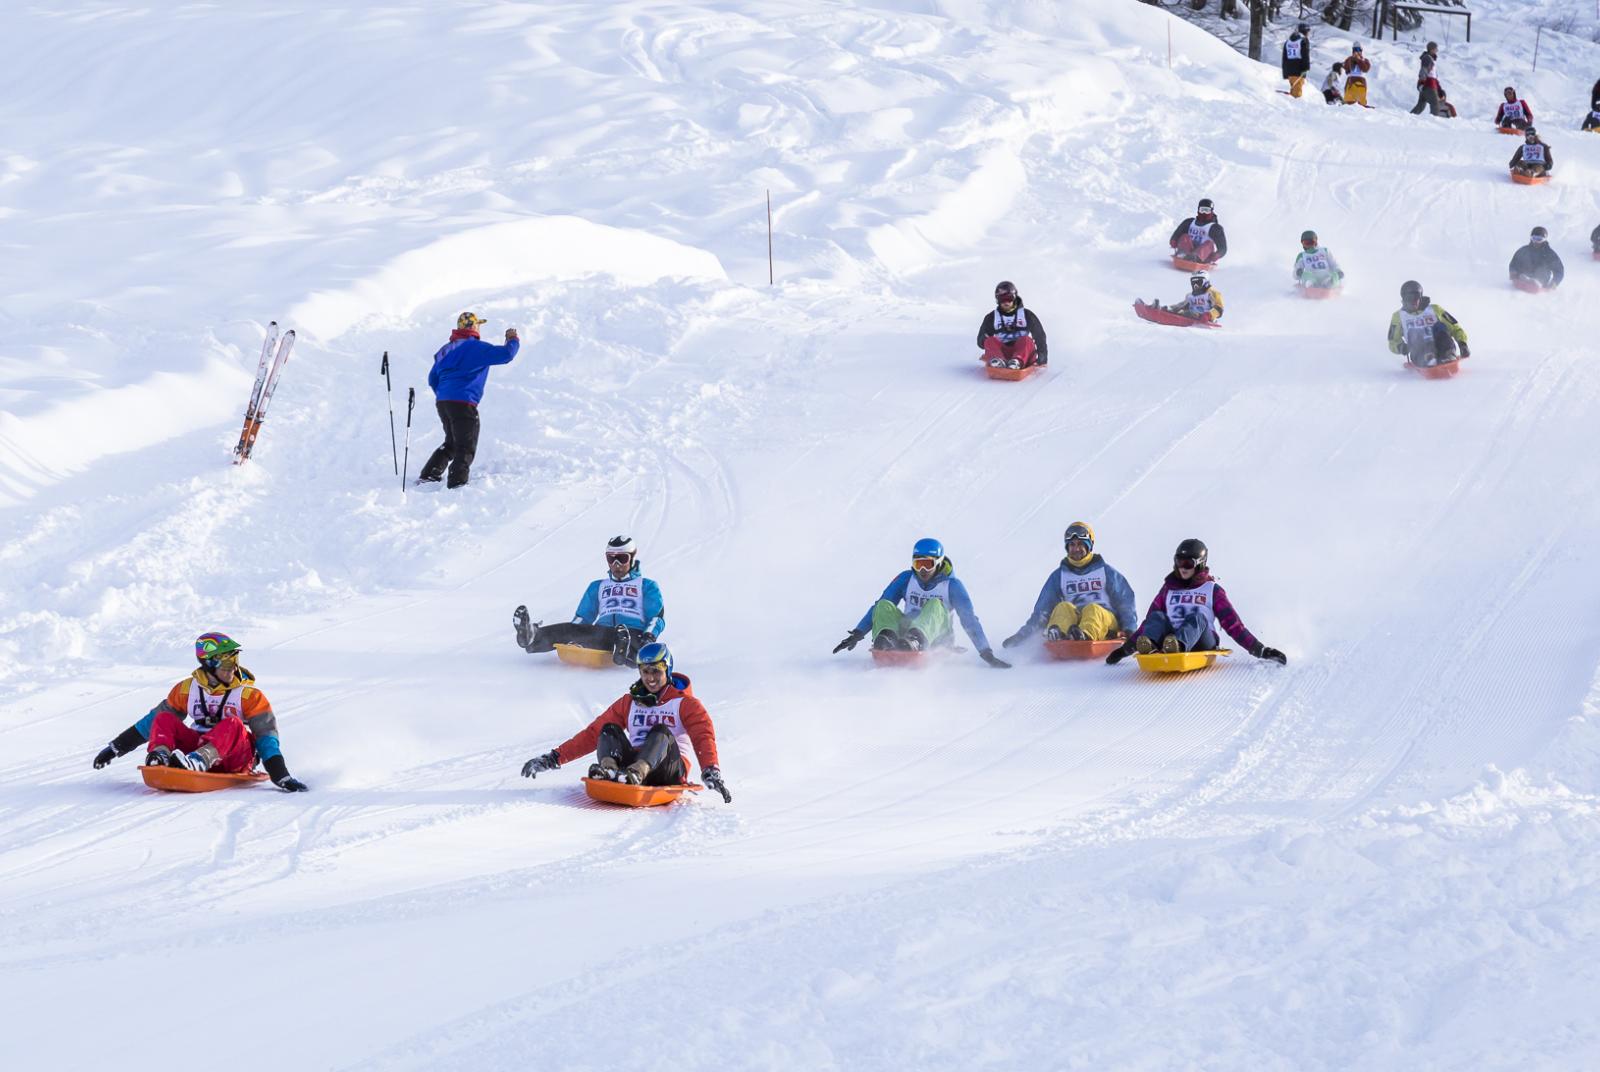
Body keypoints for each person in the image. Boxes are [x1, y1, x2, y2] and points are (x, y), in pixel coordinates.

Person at [90, 633, 308, 791]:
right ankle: (160, 757)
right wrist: (115, 748)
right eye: (227, 662)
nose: (233, 667)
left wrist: (280, 774)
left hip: (236, 757)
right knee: (164, 718)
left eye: (235, 660)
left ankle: (199, 760)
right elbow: (152, 722)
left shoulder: (249, 695)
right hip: (198, 745)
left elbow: (266, 735)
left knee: (233, 724)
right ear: (209, 664)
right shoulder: (187, 689)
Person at [518, 642, 731, 801]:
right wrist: (553, 758)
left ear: (667, 670)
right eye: (645, 672)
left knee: (660, 731)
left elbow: (703, 736)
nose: (650, 678)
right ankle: (610, 770)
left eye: (656, 671)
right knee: (608, 729)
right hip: (631, 767)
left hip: (669, 769)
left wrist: (711, 769)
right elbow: (593, 733)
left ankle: (637, 773)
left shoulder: (685, 704)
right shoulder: (630, 702)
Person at [833, 538, 1010, 668]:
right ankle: (887, 637)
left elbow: (969, 620)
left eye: (928, 564)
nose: (923, 570)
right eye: (918, 564)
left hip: (937, 638)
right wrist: (858, 633)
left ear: (939, 563)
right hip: (905, 633)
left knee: (935, 605)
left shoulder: (953, 586)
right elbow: (880, 606)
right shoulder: (906, 579)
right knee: (883, 605)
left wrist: (985, 652)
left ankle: (916, 639)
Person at [1106, 540, 1286, 665]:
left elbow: (1233, 625)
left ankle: (1177, 645)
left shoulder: (1212, 590)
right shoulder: (1168, 589)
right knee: (1157, 616)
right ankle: (1152, 647)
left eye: (1188, 563)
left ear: (1199, 564)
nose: (1182, 568)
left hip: (1202, 641)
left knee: (1197, 618)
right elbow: (1149, 623)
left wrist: (1260, 649)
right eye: (1179, 562)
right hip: (1169, 641)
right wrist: (1124, 650)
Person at [513, 535, 664, 666]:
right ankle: (532, 636)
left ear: (632, 557)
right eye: (611, 559)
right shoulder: (598, 586)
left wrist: (649, 637)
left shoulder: (646, 585)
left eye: (622, 558)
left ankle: (624, 650)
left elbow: (656, 617)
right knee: (570, 628)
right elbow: (583, 616)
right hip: (602, 633)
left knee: (634, 642)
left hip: (632, 633)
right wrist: (572, 633)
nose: (616, 564)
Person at [418, 312, 519, 488]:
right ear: (473, 326)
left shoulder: (445, 350)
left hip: (443, 402)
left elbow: (432, 378)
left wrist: (444, 394)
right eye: (478, 325)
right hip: (463, 402)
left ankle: (429, 474)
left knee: (452, 442)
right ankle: (457, 483)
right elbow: (506, 355)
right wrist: (513, 339)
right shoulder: (477, 348)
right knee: (466, 444)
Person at [1001, 522, 1138, 650]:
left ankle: (1085, 635)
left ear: (1088, 546)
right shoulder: (1059, 576)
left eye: (1080, 544)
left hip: (1105, 624)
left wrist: (1129, 629)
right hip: (1074, 626)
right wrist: (1021, 636)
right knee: (1063, 607)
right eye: (1072, 545)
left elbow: (1125, 602)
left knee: (1093, 609)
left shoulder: (1106, 572)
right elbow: (1042, 611)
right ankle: (1059, 634)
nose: (1076, 549)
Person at [1387, 280, 1470, 367]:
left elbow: (1455, 328)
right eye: (1409, 298)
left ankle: (1448, 354)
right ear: (1404, 298)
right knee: (1414, 332)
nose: (1413, 301)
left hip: (1441, 345)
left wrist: (1462, 344)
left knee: (1439, 327)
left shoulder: (1435, 309)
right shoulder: (1398, 317)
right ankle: (1429, 358)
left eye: (1416, 297)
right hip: (1419, 353)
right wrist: (1401, 347)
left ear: (1420, 296)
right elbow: (1392, 341)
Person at [976, 280, 1048, 369]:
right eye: (1002, 299)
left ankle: (1017, 362)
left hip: (1023, 352)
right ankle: (998, 361)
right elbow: (981, 340)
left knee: (1027, 340)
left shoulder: (1027, 315)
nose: (1006, 302)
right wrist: (984, 339)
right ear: (997, 300)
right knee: (990, 340)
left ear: (1014, 298)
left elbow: (1040, 336)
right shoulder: (992, 317)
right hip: (1002, 352)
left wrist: (1042, 356)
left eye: (1009, 298)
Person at [1169, 198, 1228, 265]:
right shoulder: (1189, 222)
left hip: (1204, 257)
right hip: (1187, 251)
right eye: (1202, 210)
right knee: (1185, 236)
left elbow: (1223, 248)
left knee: (1209, 244)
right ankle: (1182, 255)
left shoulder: (1215, 228)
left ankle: (1196, 258)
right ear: (1198, 210)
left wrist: (1217, 255)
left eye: (1207, 210)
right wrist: (1173, 240)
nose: (1204, 213)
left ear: (1211, 211)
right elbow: (1177, 233)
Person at [1151, 270, 1224, 323]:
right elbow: (1182, 305)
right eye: (1193, 283)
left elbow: (1219, 308)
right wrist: (1172, 308)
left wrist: (1209, 315)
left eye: (1198, 282)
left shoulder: (1212, 293)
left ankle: (1172, 315)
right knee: (1180, 308)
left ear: (1206, 282)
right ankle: (1162, 310)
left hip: (1205, 318)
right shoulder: (1191, 295)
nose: (1196, 285)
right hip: (1190, 315)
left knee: (1187, 313)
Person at [1410, 42, 1441, 116]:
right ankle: (1434, 120)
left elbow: (1432, 74)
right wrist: (1421, 83)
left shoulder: (1430, 58)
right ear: (1432, 49)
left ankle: (1409, 117)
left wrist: (1438, 87)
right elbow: (1423, 71)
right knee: (1435, 104)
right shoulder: (1427, 58)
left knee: (1421, 105)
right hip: (1429, 85)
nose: (1437, 50)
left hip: (1428, 84)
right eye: (1436, 48)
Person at [1282, 23, 1312, 98]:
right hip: (1299, 70)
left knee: (1292, 93)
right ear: (1305, 31)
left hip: (1289, 70)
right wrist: (1306, 67)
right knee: (1297, 96)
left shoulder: (1288, 41)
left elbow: (1284, 58)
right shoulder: (1303, 40)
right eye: (1308, 31)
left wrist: (1285, 73)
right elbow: (1305, 55)